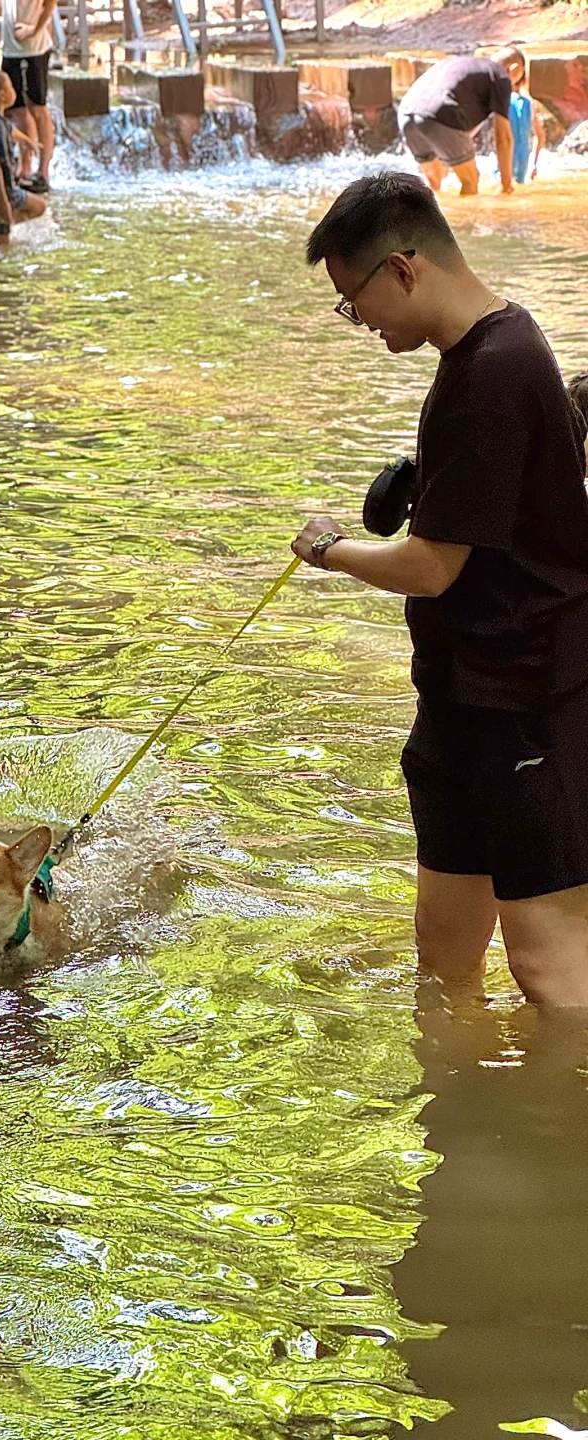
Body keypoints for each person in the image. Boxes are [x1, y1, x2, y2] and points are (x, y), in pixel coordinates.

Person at [295, 171, 588, 1008]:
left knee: (545, 961)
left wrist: (332, 550)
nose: (364, 323)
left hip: (529, 696)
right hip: (460, 698)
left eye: (356, 303)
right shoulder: (475, 361)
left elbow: (430, 566)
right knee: (443, 947)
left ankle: (560, 1128)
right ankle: (464, 1124)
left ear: (403, 269)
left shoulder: (499, 368)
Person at [398, 49, 518, 196]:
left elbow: (461, 131)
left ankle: (423, 218)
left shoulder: (461, 65)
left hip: (406, 113)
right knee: (470, 180)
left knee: (434, 185)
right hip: (440, 114)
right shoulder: (500, 75)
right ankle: (465, 220)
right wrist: (506, 187)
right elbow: (503, 139)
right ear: (515, 69)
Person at [0, 70, 46, 245]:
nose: (14, 90)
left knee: (39, 206)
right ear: (3, 95)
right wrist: (2, 202)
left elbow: (11, 130)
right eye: (11, 87)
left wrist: (28, 141)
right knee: (3, 248)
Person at [0, 0, 57, 193]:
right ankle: (24, 169)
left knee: (38, 109)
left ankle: (43, 172)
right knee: (17, 110)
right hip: (9, 48)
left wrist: (35, 29)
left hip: (33, 49)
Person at [503, 46, 545, 185]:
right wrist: (534, 163)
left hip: (516, 157)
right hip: (516, 157)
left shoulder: (526, 103)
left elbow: (540, 136)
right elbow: (539, 136)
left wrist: (535, 164)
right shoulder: (525, 103)